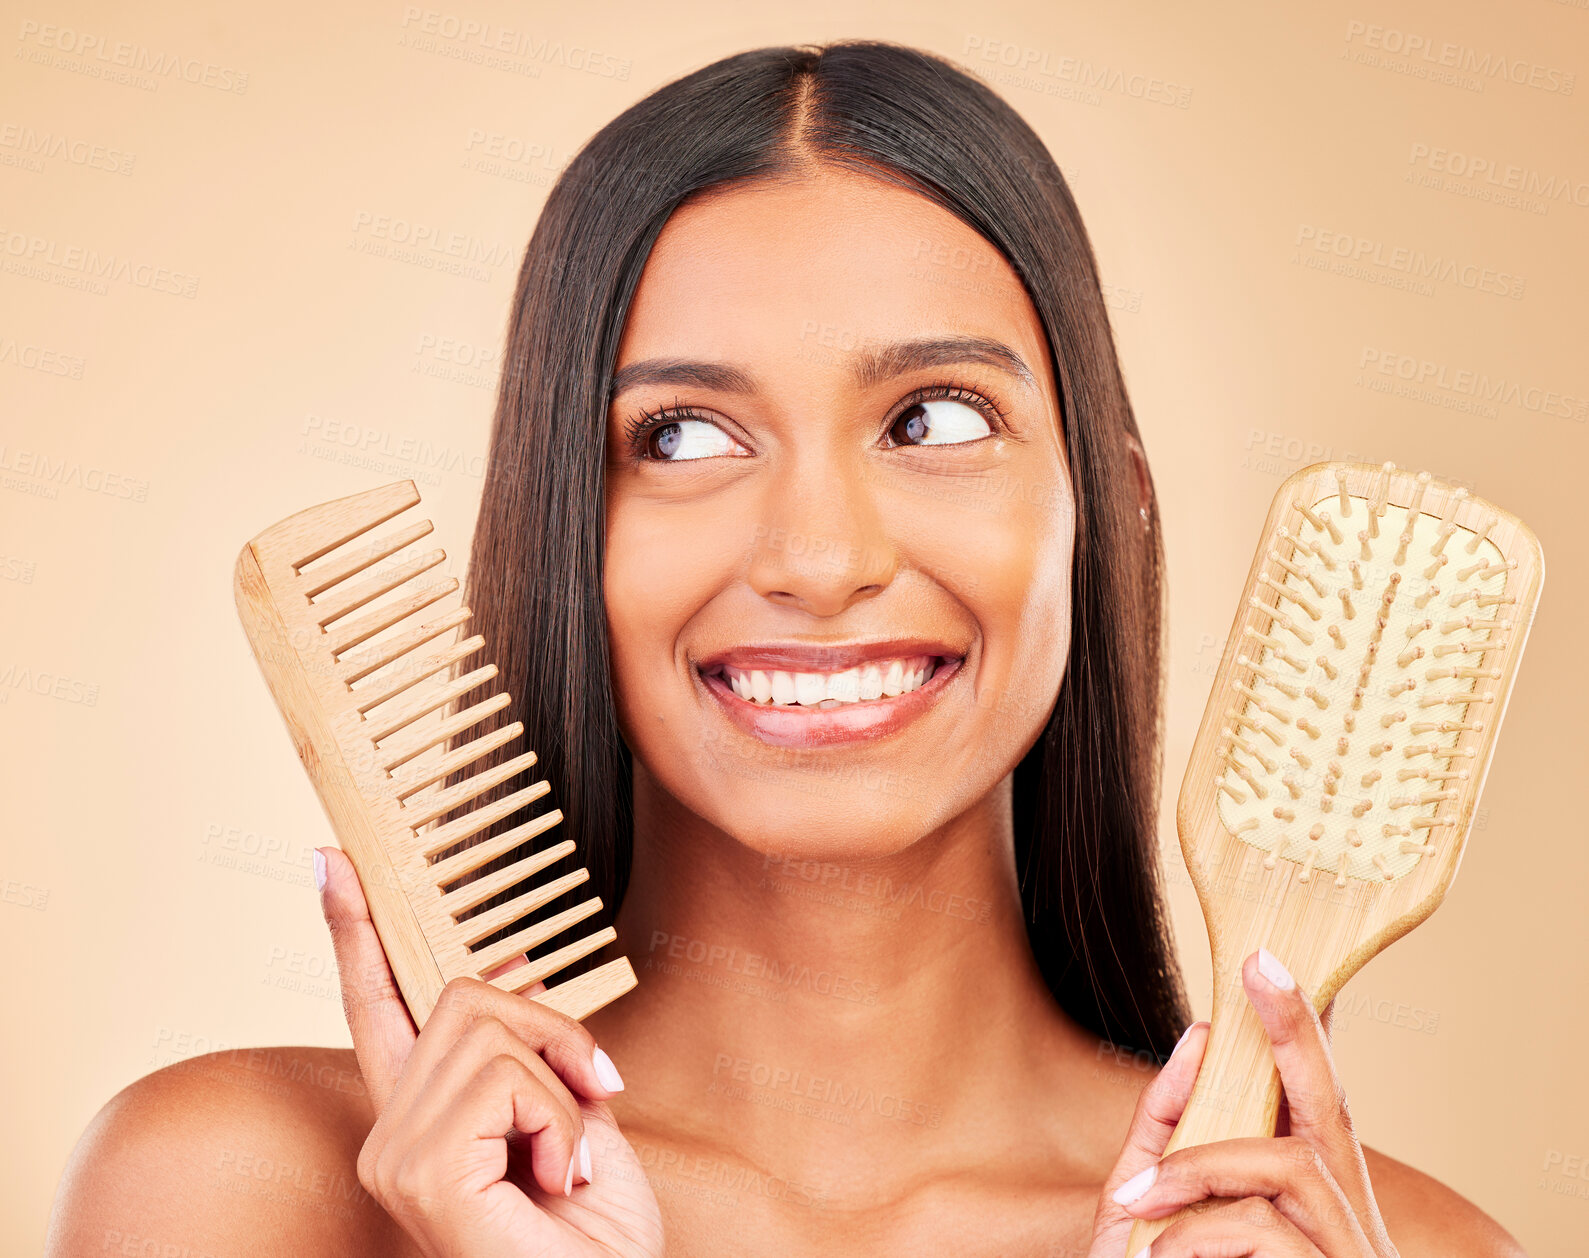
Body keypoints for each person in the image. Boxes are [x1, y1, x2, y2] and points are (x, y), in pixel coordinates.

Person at [47, 40, 1524, 1257]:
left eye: (934, 417)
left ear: (1111, 513)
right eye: (682, 435)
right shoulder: (243, 1194)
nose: (820, 560)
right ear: (567, 526)